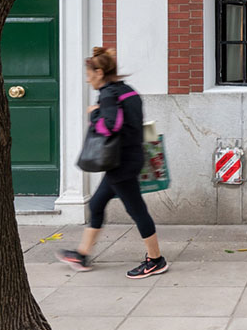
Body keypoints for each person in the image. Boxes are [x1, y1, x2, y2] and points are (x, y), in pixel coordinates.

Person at [58, 47, 169, 278]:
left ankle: (156, 260)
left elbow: (111, 126)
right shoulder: (128, 91)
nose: (87, 78)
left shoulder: (108, 94)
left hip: (121, 163)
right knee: (97, 204)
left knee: (136, 210)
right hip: (128, 158)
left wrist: (93, 114)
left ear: (99, 72)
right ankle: (83, 254)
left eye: (89, 73)